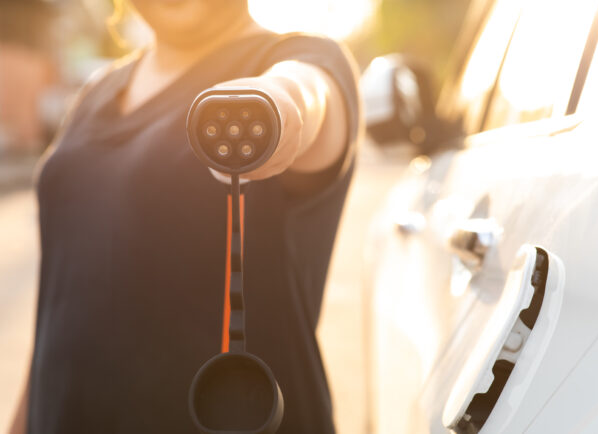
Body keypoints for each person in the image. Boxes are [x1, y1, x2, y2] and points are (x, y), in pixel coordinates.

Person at [9, 0, 361, 433]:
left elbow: (307, 93)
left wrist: (274, 107)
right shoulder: (97, 92)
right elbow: (59, 301)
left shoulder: (302, 59)